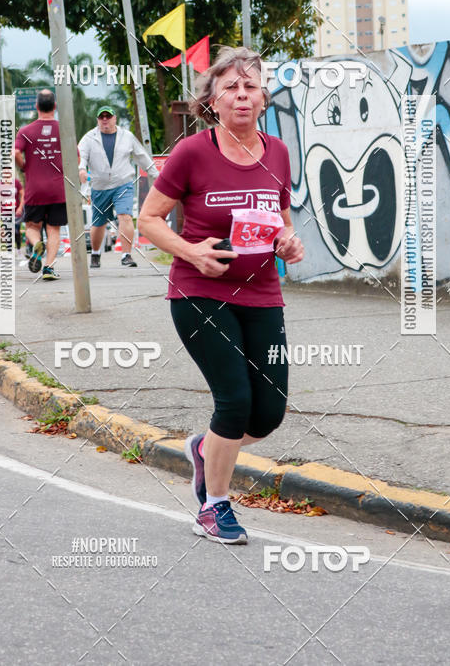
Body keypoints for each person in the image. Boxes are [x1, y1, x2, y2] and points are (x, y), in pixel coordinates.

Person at [139, 47, 304, 544]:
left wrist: (289, 242)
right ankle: (214, 507)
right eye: (230, 87)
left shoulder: (278, 152)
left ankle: (205, 448)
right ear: (212, 100)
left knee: (268, 411)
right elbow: (148, 219)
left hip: (263, 292)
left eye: (250, 86)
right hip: (199, 292)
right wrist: (191, 252)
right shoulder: (192, 152)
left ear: (263, 97)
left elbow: (281, 221)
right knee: (233, 400)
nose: (241, 95)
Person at [78, 104, 159, 269]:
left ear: (115, 119)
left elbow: (141, 156)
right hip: (99, 186)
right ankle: (95, 254)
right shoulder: (89, 138)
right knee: (98, 223)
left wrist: (157, 175)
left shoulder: (127, 136)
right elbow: (82, 157)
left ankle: (126, 255)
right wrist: (81, 170)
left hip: (123, 184)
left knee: (125, 216)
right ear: (98, 120)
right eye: (102, 117)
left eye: (108, 116)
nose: (105, 120)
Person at [14, 89, 66, 281]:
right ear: (55, 106)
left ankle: (37, 243)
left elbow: (15, 153)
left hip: (35, 189)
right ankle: (48, 268)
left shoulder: (26, 131)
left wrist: (24, 167)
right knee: (53, 229)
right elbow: (76, 157)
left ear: (36, 106)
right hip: (57, 189)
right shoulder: (63, 129)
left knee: (32, 226)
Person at [0, 166, 24, 251]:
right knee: (7, 230)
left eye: (8, 171)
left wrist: (20, 207)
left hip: (16, 211)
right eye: (5, 171)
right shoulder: (0, 185)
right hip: (5, 212)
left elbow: (22, 195)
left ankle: (18, 249)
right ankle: (9, 250)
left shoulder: (16, 182)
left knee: (16, 230)